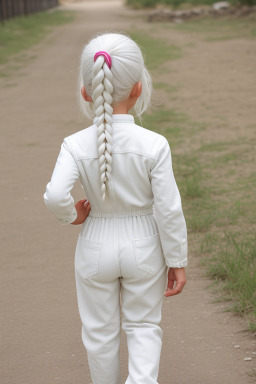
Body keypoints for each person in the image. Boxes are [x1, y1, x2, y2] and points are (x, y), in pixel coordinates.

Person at [43, 32, 188, 384]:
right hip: (144, 244)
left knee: (99, 334)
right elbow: (168, 208)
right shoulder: (154, 144)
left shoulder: (74, 144)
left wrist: (72, 215)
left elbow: (54, 195)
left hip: (95, 244)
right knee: (143, 326)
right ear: (137, 88)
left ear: (86, 91)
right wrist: (177, 259)